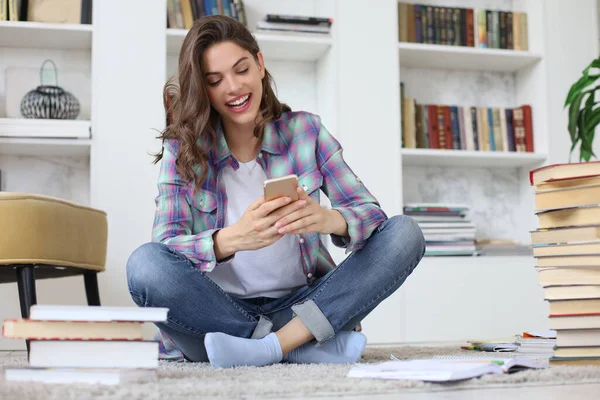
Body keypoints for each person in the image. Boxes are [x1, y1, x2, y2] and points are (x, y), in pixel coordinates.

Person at [126, 15, 425, 369]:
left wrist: (329, 220)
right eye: (215, 80)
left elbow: (372, 216)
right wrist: (231, 239)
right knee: (144, 265)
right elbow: (165, 246)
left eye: (241, 70)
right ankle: (291, 346)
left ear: (260, 63)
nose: (234, 88)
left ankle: (273, 345)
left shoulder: (306, 131)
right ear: (202, 89)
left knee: (406, 233)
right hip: (217, 315)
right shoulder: (184, 150)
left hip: (303, 308)